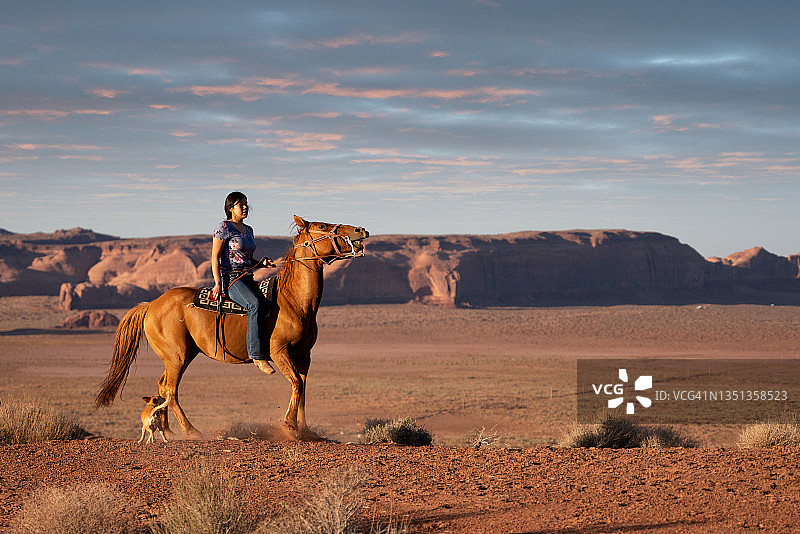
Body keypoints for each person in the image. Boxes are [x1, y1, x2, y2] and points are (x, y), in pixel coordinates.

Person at [211, 191, 276, 375]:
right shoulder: (224, 227)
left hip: (248, 276)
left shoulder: (249, 230)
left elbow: (246, 258)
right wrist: (218, 283)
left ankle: (268, 347)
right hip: (231, 278)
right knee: (254, 304)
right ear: (231, 208)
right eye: (241, 204)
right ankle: (257, 355)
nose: (246, 207)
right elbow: (215, 258)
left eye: (246, 204)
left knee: (269, 305)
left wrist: (260, 263)